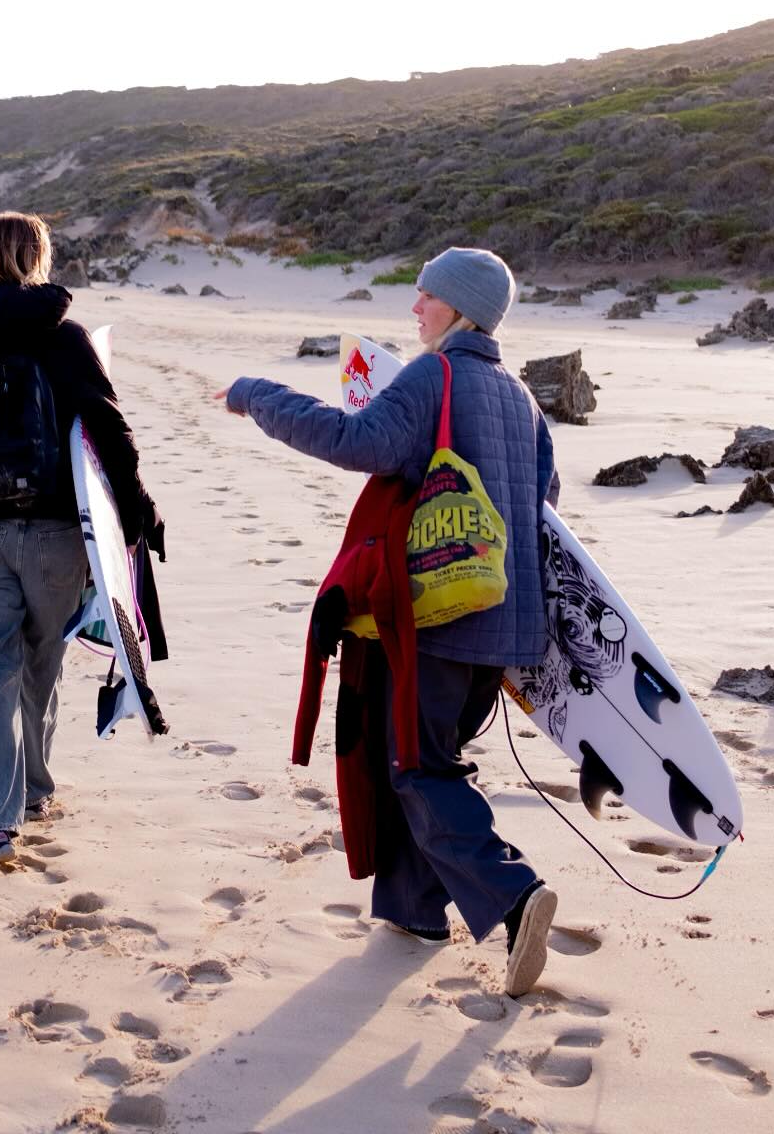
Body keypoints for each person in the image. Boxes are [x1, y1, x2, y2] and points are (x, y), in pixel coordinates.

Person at [217, 246, 560, 997]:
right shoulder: (521, 396)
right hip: (504, 621)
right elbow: (546, 507)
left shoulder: (435, 375)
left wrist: (258, 395)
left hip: (435, 615)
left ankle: (515, 895)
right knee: (422, 755)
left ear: (461, 308)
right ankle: (415, 910)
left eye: (427, 295)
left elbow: (356, 442)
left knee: (417, 767)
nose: (415, 308)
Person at [0, 211, 159, 869]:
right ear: (38, 259)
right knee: (41, 664)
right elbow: (110, 432)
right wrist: (135, 513)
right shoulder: (66, 338)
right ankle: (36, 790)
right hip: (56, 539)